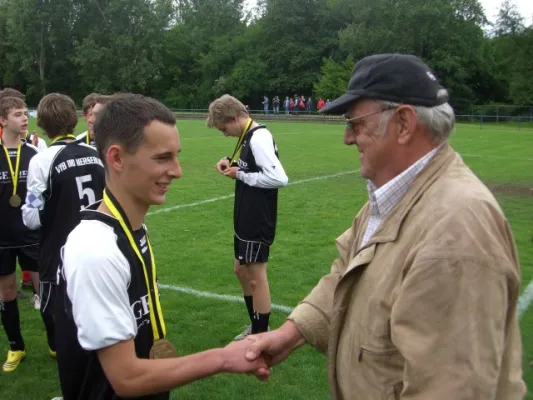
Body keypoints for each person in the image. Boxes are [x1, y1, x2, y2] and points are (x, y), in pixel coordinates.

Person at [244, 54, 526, 399]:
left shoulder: (456, 230)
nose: (347, 138)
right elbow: (348, 273)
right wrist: (294, 331)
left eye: (356, 123)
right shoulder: (394, 195)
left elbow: (450, 388)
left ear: (404, 123)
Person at [55, 93, 270, 399]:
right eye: (162, 157)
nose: (178, 170)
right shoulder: (95, 250)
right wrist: (222, 358)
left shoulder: (131, 228)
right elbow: (126, 377)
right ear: (116, 158)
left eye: (176, 155)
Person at [22, 93, 106, 361]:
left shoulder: (41, 161)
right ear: (74, 119)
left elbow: (32, 216)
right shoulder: (95, 154)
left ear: (43, 126)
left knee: (65, 321)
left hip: (60, 254)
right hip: (98, 246)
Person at [207, 94, 288, 340]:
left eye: (224, 128)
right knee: (241, 270)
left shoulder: (259, 137)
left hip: (257, 217)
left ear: (234, 117)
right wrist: (229, 162)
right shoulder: (247, 135)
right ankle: (255, 327)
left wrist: (240, 175)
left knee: (256, 275)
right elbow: (248, 166)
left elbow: (279, 179)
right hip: (244, 216)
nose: (225, 134)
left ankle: (261, 335)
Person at [0, 96, 41, 371]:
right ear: (3, 121)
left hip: (32, 236)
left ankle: (55, 343)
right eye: (17, 114)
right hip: (2, 240)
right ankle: (16, 347)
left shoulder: (36, 153)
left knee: (45, 290)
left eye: (25, 113)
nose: (25, 118)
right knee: (7, 293)